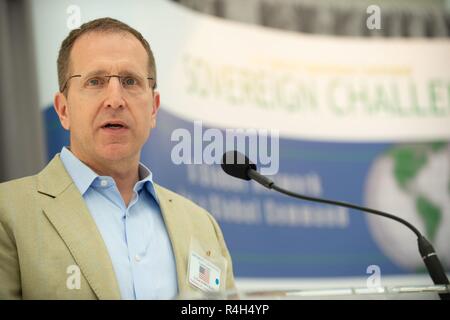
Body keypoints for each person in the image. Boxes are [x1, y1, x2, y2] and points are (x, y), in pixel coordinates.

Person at [0, 17, 235, 299]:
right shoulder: (8, 213)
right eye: (95, 81)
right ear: (63, 110)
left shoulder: (202, 225)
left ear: (153, 109)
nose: (115, 99)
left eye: (130, 81)